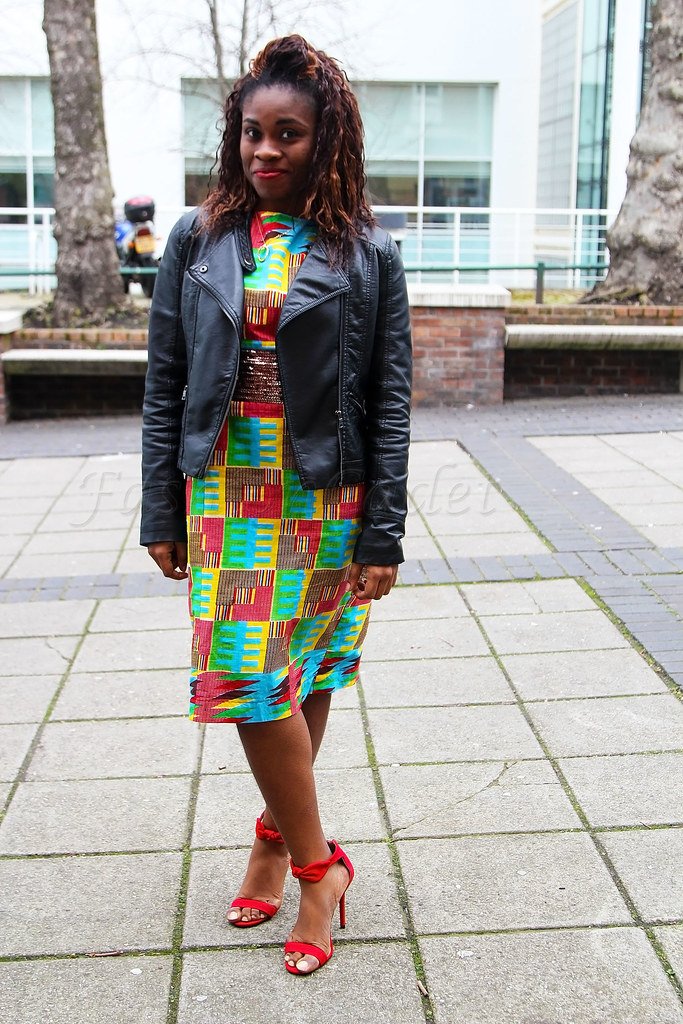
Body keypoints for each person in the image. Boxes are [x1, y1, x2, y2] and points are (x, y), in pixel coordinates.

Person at [140, 34, 412, 976]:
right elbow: (165, 380)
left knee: (304, 668)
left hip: (324, 492)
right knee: (245, 680)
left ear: (325, 139)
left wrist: (382, 531)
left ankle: (269, 839)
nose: (265, 151)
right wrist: (159, 513)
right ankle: (317, 868)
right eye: (252, 133)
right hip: (224, 486)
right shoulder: (197, 238)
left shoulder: (367, 251)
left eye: (287, 134)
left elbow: (389, 398)